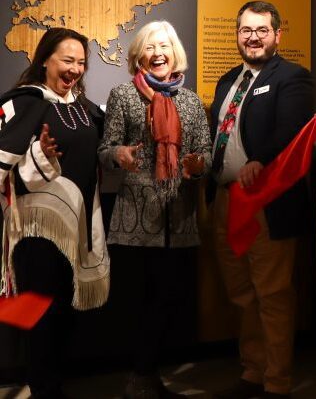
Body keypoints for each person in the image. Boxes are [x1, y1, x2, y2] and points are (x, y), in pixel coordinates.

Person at [99, 20, 211, 398]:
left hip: (178, 220)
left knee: (167, 302)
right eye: (150, 46)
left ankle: (147, 375)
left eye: (164, 45)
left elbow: (206, 154)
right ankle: (141, 376)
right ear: (139, 56)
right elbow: (106, 149)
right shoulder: (123, 95)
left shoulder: (192, 102)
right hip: (134, 220)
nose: (158, 53)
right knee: (136, 303)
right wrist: (119, 154)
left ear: (175, 52)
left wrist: (199, 165)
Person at [210, 0, 313, 398]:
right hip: (225, 199)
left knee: (272, 293)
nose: (252, 37)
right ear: (237, 34)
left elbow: (290, 129)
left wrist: (260, 161)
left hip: (266, 201)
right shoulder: (227, 80)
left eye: (261, 30)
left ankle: (277, 381)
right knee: (240, 293)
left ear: (277, 34)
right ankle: (253, 370)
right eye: (246, 30)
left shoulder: (292, 78)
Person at [0, 28, 109, 398]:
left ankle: (53, 384)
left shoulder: (85, 107)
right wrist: (40, 156)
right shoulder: (28, 101)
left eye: (81, 62)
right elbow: (8, 168)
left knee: (63, 312)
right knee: (41, 314)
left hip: (75, 226)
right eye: (67, 60)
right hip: (38, 230)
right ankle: (43, 388)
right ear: (44, 59)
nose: (75, 69)